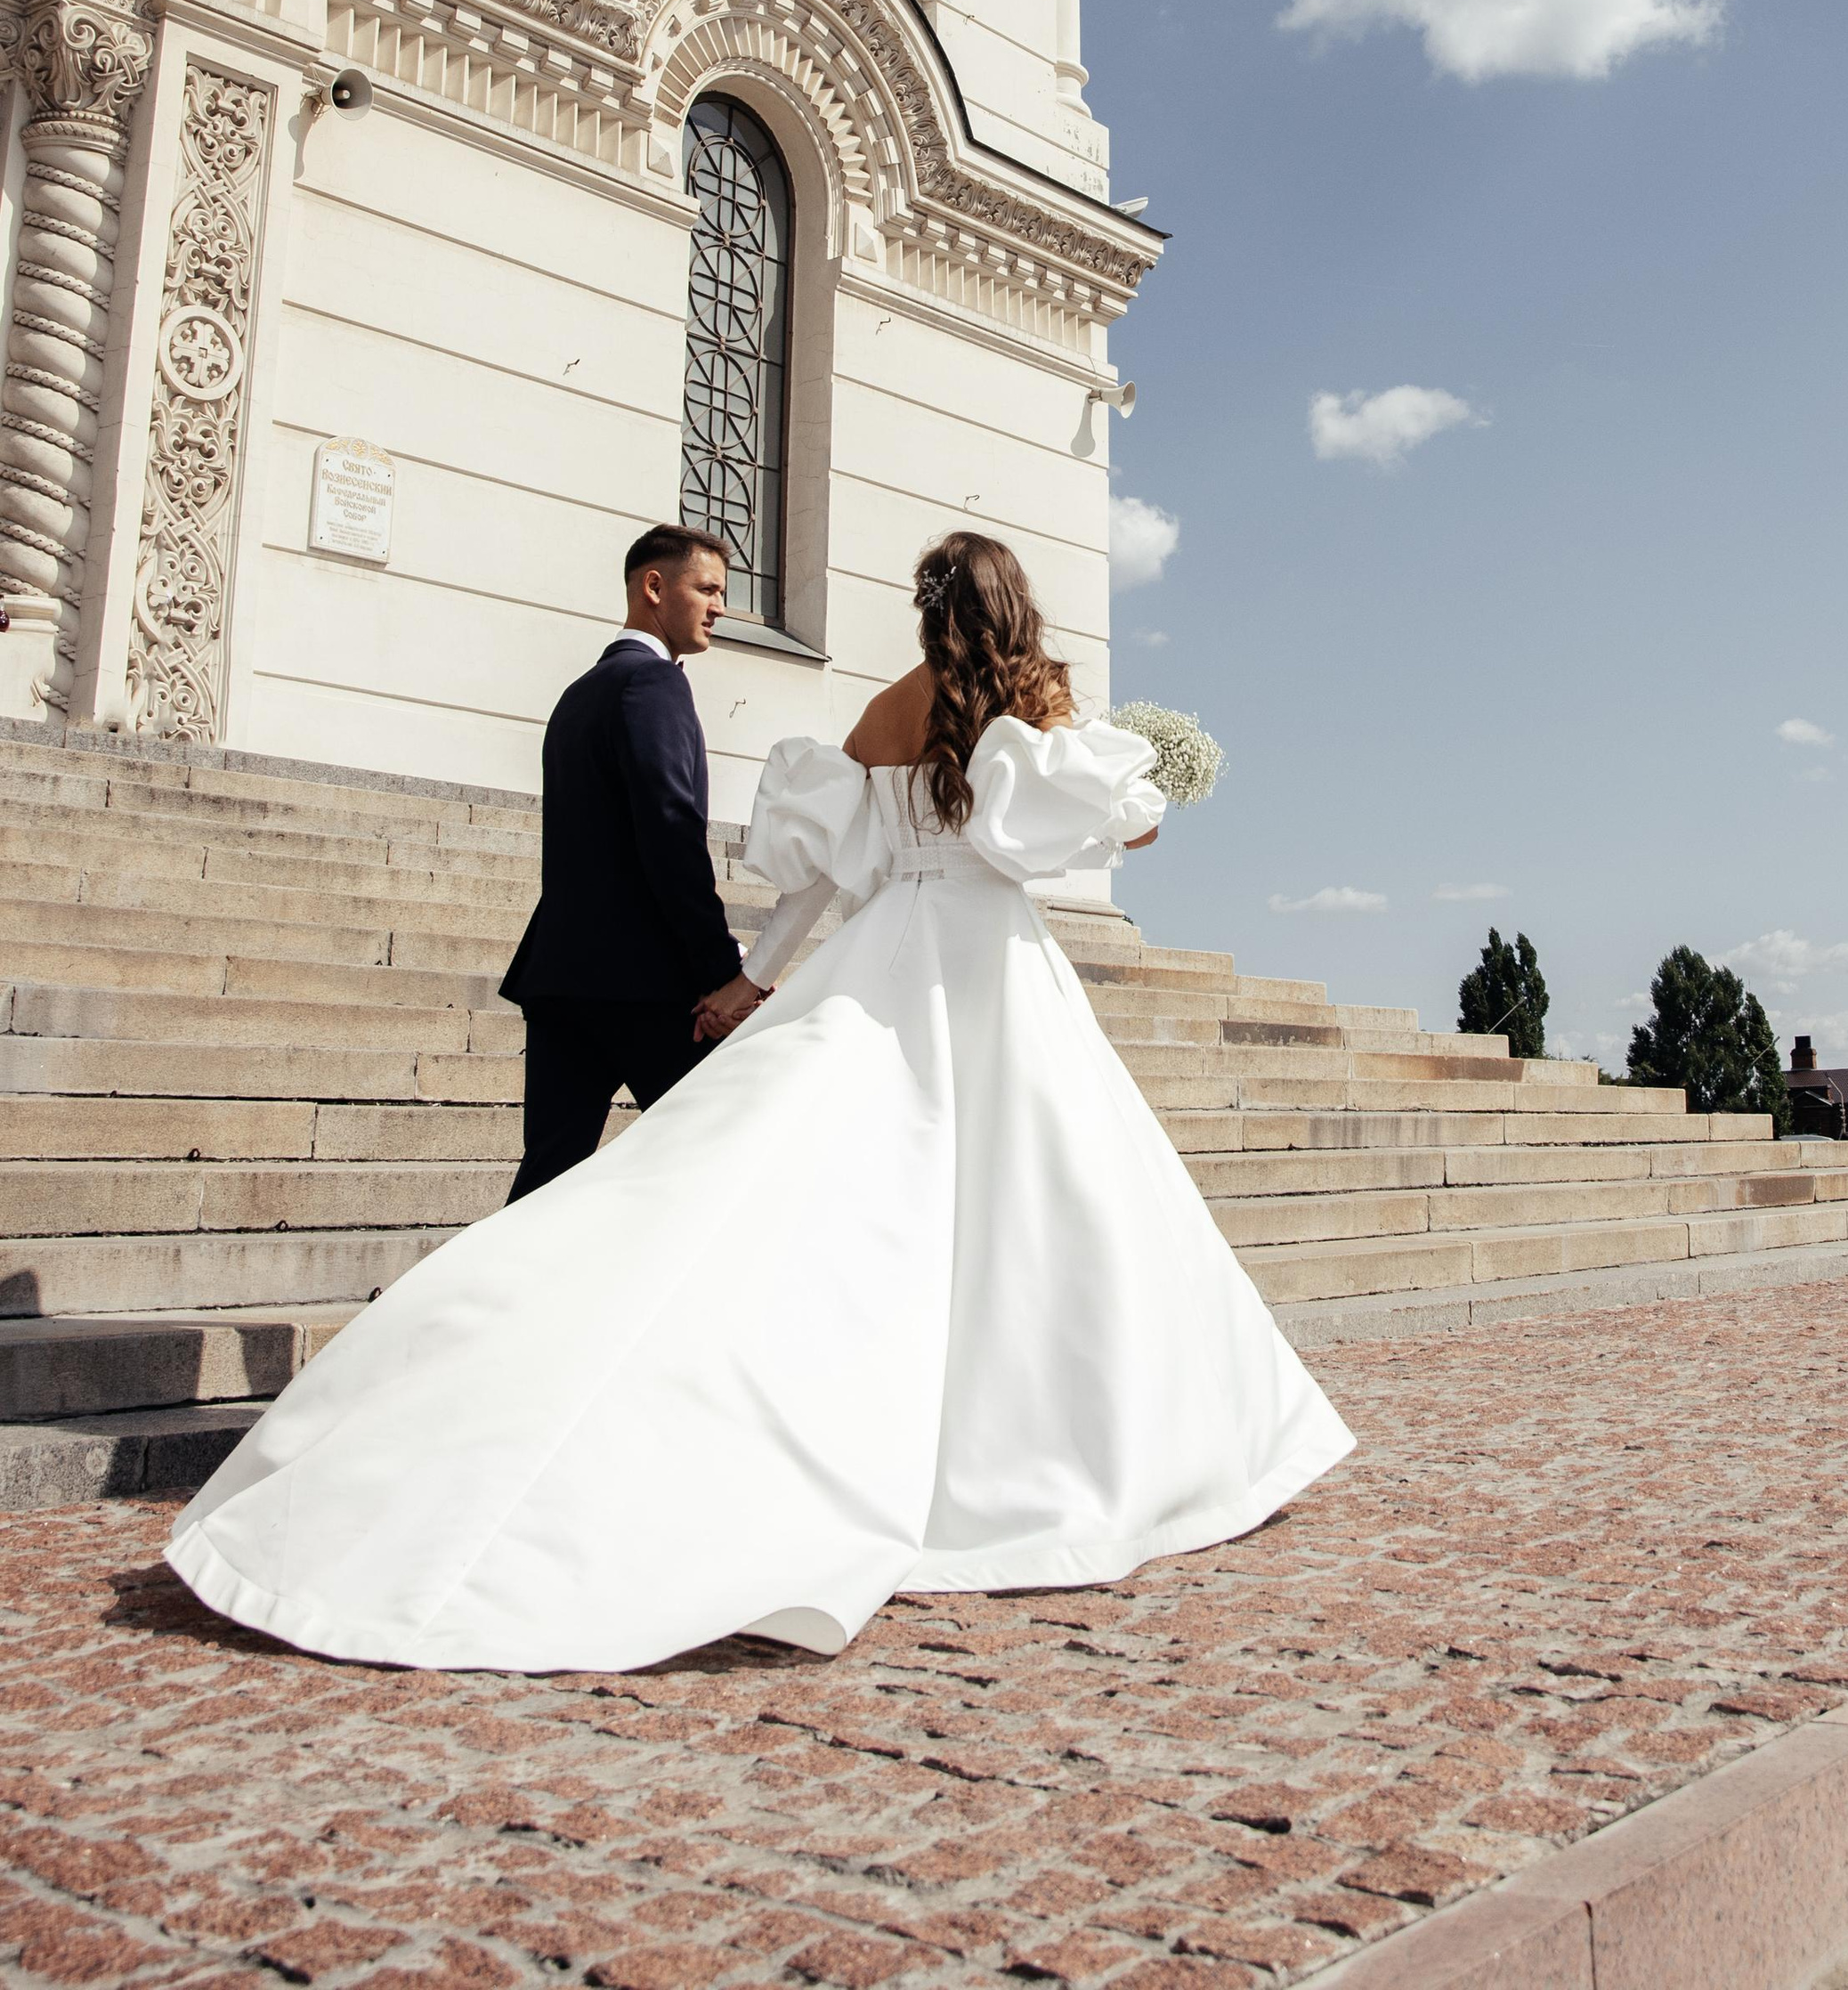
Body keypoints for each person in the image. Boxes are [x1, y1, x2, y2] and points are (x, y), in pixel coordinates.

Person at [166, 529, 1353, 1670]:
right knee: (1051, 1203)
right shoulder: (1030, 701)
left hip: (885, 952)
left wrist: (752, 979)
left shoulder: (886, 711)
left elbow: (827, 872)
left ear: (930, 612)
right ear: (1013, 610)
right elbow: (1114, 828)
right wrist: (1140, 784)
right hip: (992, 966)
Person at [497, 524, 759, 1202]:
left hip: (562, 978)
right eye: (706, 589)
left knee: (547, 1178)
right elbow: (670, 837)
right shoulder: (654, 686)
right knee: (718, 1161)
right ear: (653, 588)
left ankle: (487, 1306)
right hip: (647, 987)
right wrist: (723, 973)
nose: (719, 606)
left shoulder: (578, 695)